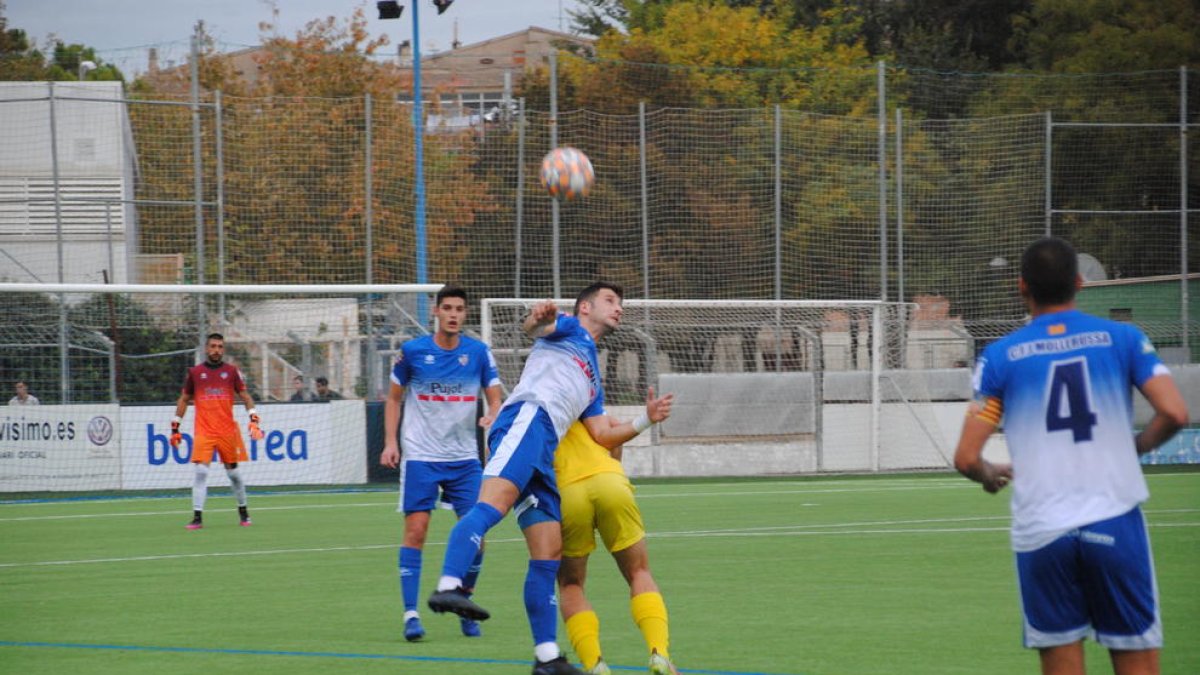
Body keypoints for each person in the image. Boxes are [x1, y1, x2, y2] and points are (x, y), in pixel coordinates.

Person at [953, 237, 1188, 675]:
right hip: (1113, 517)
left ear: (1022, 287)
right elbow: (1174, 411)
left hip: (1043, 531)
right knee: (1135, 658)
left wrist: (989, 475)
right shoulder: (1124, 338)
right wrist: (1134, 447)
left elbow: (967, 457)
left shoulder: (1000, 356)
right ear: (1080, 283)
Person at [425, 281, 673, 675]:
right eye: (610, 301)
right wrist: (536, 319)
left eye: (621, 303)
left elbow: (602, 435)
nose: (619, 308)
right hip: (527, 421)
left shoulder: (591, 373)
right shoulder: (571, 327)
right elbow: (537, 328)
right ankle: (450, 585)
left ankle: (546, 657)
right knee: (491, 507)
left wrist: (646, 419)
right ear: (585, 309)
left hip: (545, 448)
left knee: (548, 554)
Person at [379, 285, 504, 642]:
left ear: (465, 314)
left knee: (477, 537)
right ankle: (411, 615)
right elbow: (393, 399)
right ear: (435, 312)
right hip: (421, 456)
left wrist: (493, 415)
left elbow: (495, 397)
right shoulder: (413, 352)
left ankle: (464, 601)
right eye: (447, 307)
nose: (453, 314)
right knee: (416, 531)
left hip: (465, 459)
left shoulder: (479, 352)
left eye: (459, 308)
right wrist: (391, 442)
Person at [555, 418, 679, 675]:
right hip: (610, 481)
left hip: (568, 492)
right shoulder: (586, 404)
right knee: (639, 572)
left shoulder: (532, 413)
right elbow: (614, 435)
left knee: (571, 584)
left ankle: (594, 665)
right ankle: (659, 655)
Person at [169, 333, 265, 530]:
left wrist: (253, 419)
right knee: (201, 471)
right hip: (204, 431)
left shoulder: (231, 372)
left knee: (234, 475)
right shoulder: (195, 373)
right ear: (206, 348)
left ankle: (243, 512)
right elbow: (184, 399)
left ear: (223, 349)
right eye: (213, 346)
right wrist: (175, 426)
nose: (216, 350)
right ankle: (197, 517)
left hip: (227, 431)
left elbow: (246, 397)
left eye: (220, 346)